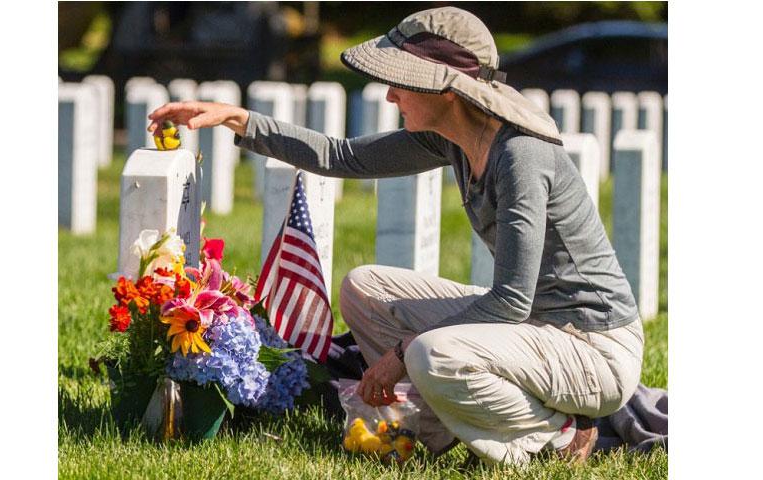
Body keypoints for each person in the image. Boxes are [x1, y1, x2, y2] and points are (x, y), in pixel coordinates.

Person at [147, 6, 644, 466]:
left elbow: (510, 301)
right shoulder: (450, 139)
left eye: (400, 83)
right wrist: (236, 118)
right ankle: (437, 425)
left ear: (446, 91)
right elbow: (342, 156)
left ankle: (556, 433)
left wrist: (401, 353)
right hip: (533, 329)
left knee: (431, 352)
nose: (389, 95)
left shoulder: (520, 159)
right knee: (366, 290)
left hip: (593, 346)